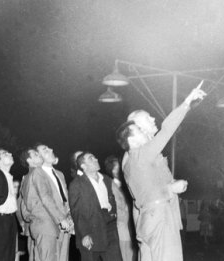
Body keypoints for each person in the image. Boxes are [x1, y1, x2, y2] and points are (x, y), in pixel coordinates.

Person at [116, 85, 206, 261]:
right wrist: (187, 102)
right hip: (159, 215)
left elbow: (144, 188)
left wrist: (170, 187)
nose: (152, 119)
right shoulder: (141, 153)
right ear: (132, 138)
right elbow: (167, 129)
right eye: (140, 129)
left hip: (147, 220)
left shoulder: (130, 159)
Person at [23, 143, 73, 261]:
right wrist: (58, 218)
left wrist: (69, 216)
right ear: (39, 157)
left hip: (64, 225)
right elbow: (26, 207)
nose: (51, 149)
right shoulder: (33, 174)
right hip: (48, 224)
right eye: (45, 150)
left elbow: (65, 199)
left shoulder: (60, 174)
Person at [69, 152, 121, 261]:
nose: (96, 159)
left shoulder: (106, 179)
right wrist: (85, 234)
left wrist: (113, 214)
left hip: (110, 227)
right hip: (91, 229)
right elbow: (77, 212)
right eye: (91, 158)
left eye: (95, 157)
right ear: (83, 166)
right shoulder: (77, 184)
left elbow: (113, 200)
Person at [104, 155, 136, 261]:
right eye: (119, 168)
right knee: (125, 255)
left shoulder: (125, 185)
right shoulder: (111, 187)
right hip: (122, 229)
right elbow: (117, 208)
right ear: (113, 170)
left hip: (130, 229)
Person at [18, 147, 44, 261]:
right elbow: (22, 204)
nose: (39, 155)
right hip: (38, 224)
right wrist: (24, 223)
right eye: (35, 154)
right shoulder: (29, 176)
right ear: (29, 160)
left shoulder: (43, 174)